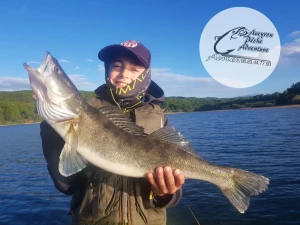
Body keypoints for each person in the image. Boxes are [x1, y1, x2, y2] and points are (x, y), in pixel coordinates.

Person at [40, 40, 185, 225]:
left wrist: (167, 194)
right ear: (107, 70)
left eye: (135, 69)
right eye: (116, 66)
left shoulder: (158, 117)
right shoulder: (87, 111)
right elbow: (67, 186)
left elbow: (173, 192)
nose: (124, 74)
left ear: (146, 76)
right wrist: (52, 131)